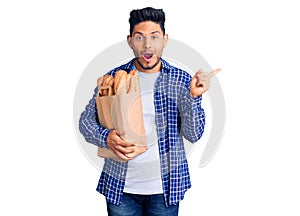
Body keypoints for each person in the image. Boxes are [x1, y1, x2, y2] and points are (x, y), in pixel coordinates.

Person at [79, 7, 221, 216]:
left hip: (165, 189)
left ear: (164, 39)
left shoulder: (182, 80)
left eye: (154, 37)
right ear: (129, 41)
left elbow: (193, 135)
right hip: (121, 188)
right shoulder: (113, 78)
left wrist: (193, 97)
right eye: (139, 37)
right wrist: (106, 137)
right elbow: (85, 121)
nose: (147, 45)